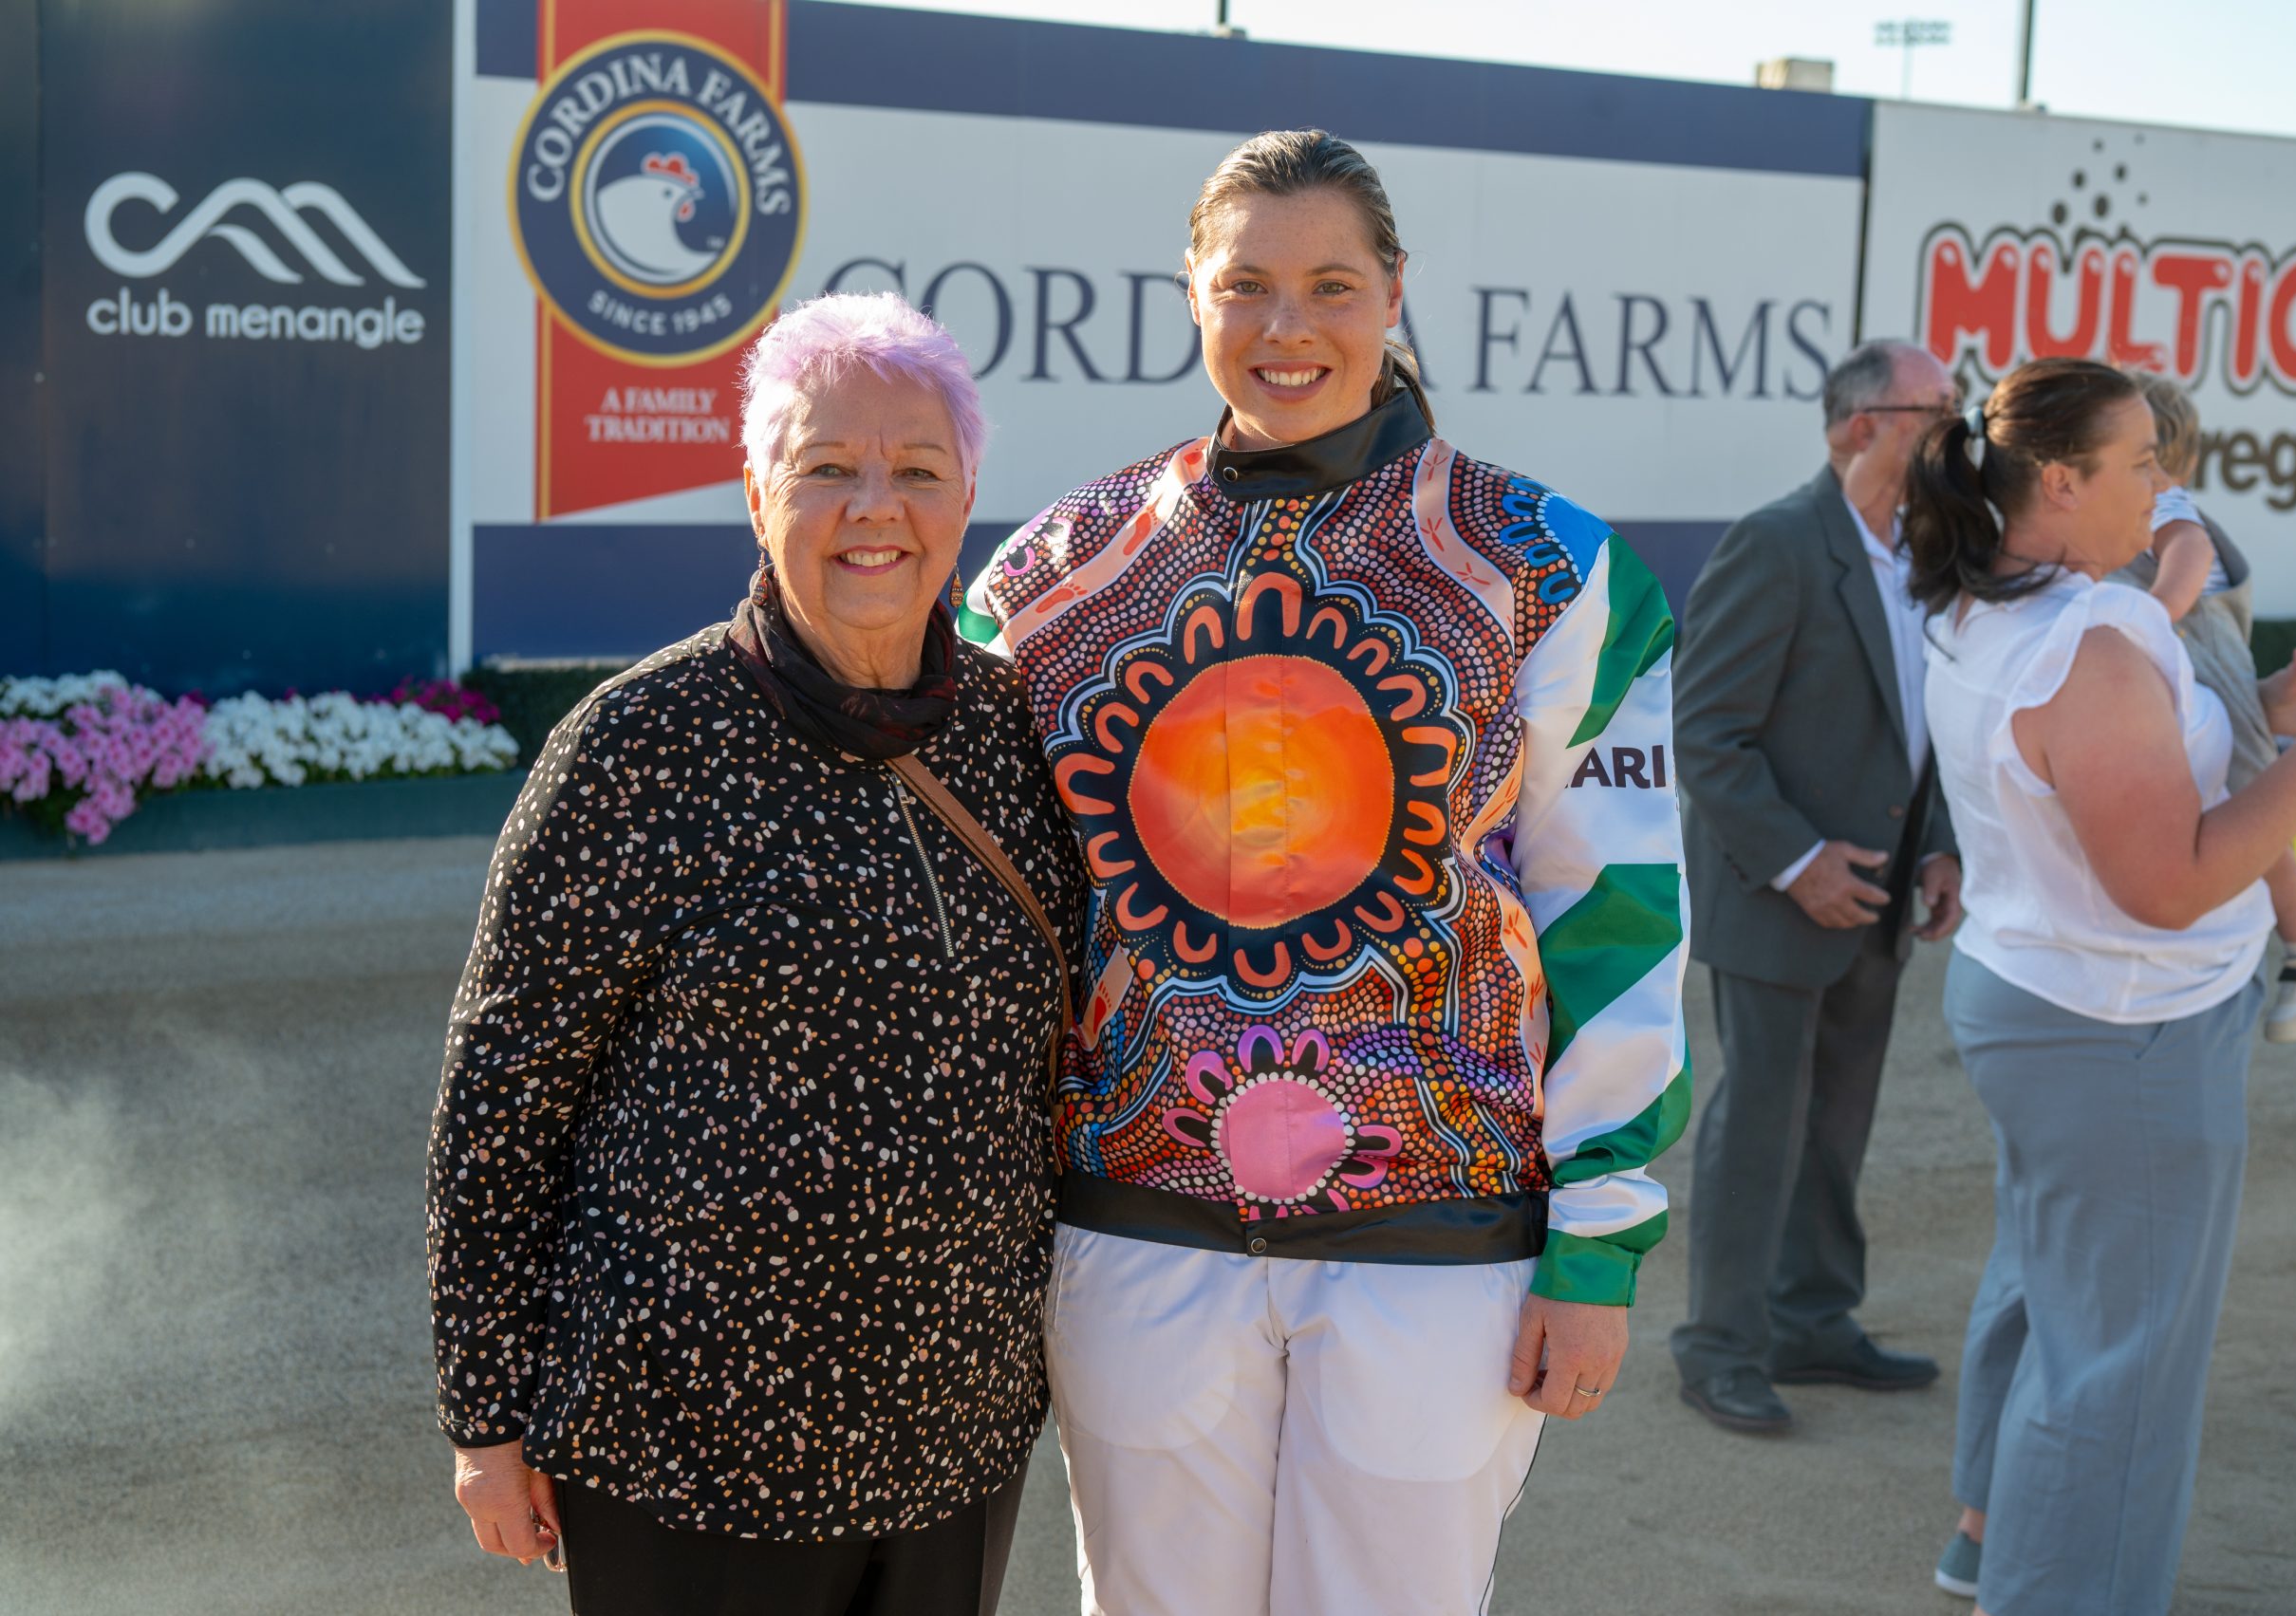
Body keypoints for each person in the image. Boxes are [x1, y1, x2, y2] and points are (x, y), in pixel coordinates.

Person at [960, 128, 1688, 1614]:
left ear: (1396, 292)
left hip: (1442, 1244)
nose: (1288, 329)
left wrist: (1599, 1234)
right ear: (1191, 295)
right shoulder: (1048, 577)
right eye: (1247, 287)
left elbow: (1617, 909)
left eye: (1332, 286)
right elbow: (982, 915)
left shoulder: (1552, 567)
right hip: (1137, 1225)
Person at [425, 291, 1080, 1616]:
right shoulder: (635, 746)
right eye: (826, 467)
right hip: (684, 1452)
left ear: (966, 497)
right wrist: (484, 1415)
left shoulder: (1016, 732)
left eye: (915, 469)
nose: (873, 508)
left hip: (948, 1440)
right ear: (755, 490)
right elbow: (502, 1100)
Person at [1907, 356, 2296, 1615]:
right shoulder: (2098, 632)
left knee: (2049, 1290)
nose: (2164, 485)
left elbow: (2116, 782)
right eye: (2140, 462)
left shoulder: (1986, 602)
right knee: (2118, 1374)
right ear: (2060, 481)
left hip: (2046, 1005)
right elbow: (2170, 883)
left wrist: (2268, 717)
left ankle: (1984, 1538)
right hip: (2122, 1026)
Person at [1669, 338, 1963, 1435]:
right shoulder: (1778, 543)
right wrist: (1797, 860)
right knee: (1762, 1125)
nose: (1957, 428)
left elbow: (1922, 737)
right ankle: (1719, 1345)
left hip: (1880, 902)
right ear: (1858, 425)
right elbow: (1706, 733)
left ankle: (1811, 1319)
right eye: (1935, 409)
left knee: (1837, 1125)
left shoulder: (1925, 556)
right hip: (1776, 897)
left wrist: (1937, 848)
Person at [2115, 374, 2296, 1042]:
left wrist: (2152, 614)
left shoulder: (2168, 507)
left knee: (2261, 817)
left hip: (2216, 680)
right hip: (2210, 685)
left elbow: (2189, 559)